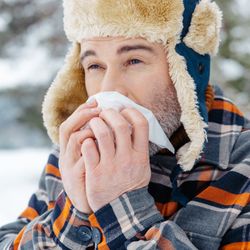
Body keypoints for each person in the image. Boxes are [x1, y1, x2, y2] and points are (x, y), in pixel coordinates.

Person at [0, 0, 249, 249]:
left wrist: (121, 201)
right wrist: (75, 212)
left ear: (187, 70)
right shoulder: (76, 153)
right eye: (95, 66)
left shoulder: (242, 167)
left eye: (133, 61)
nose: (109, 89)